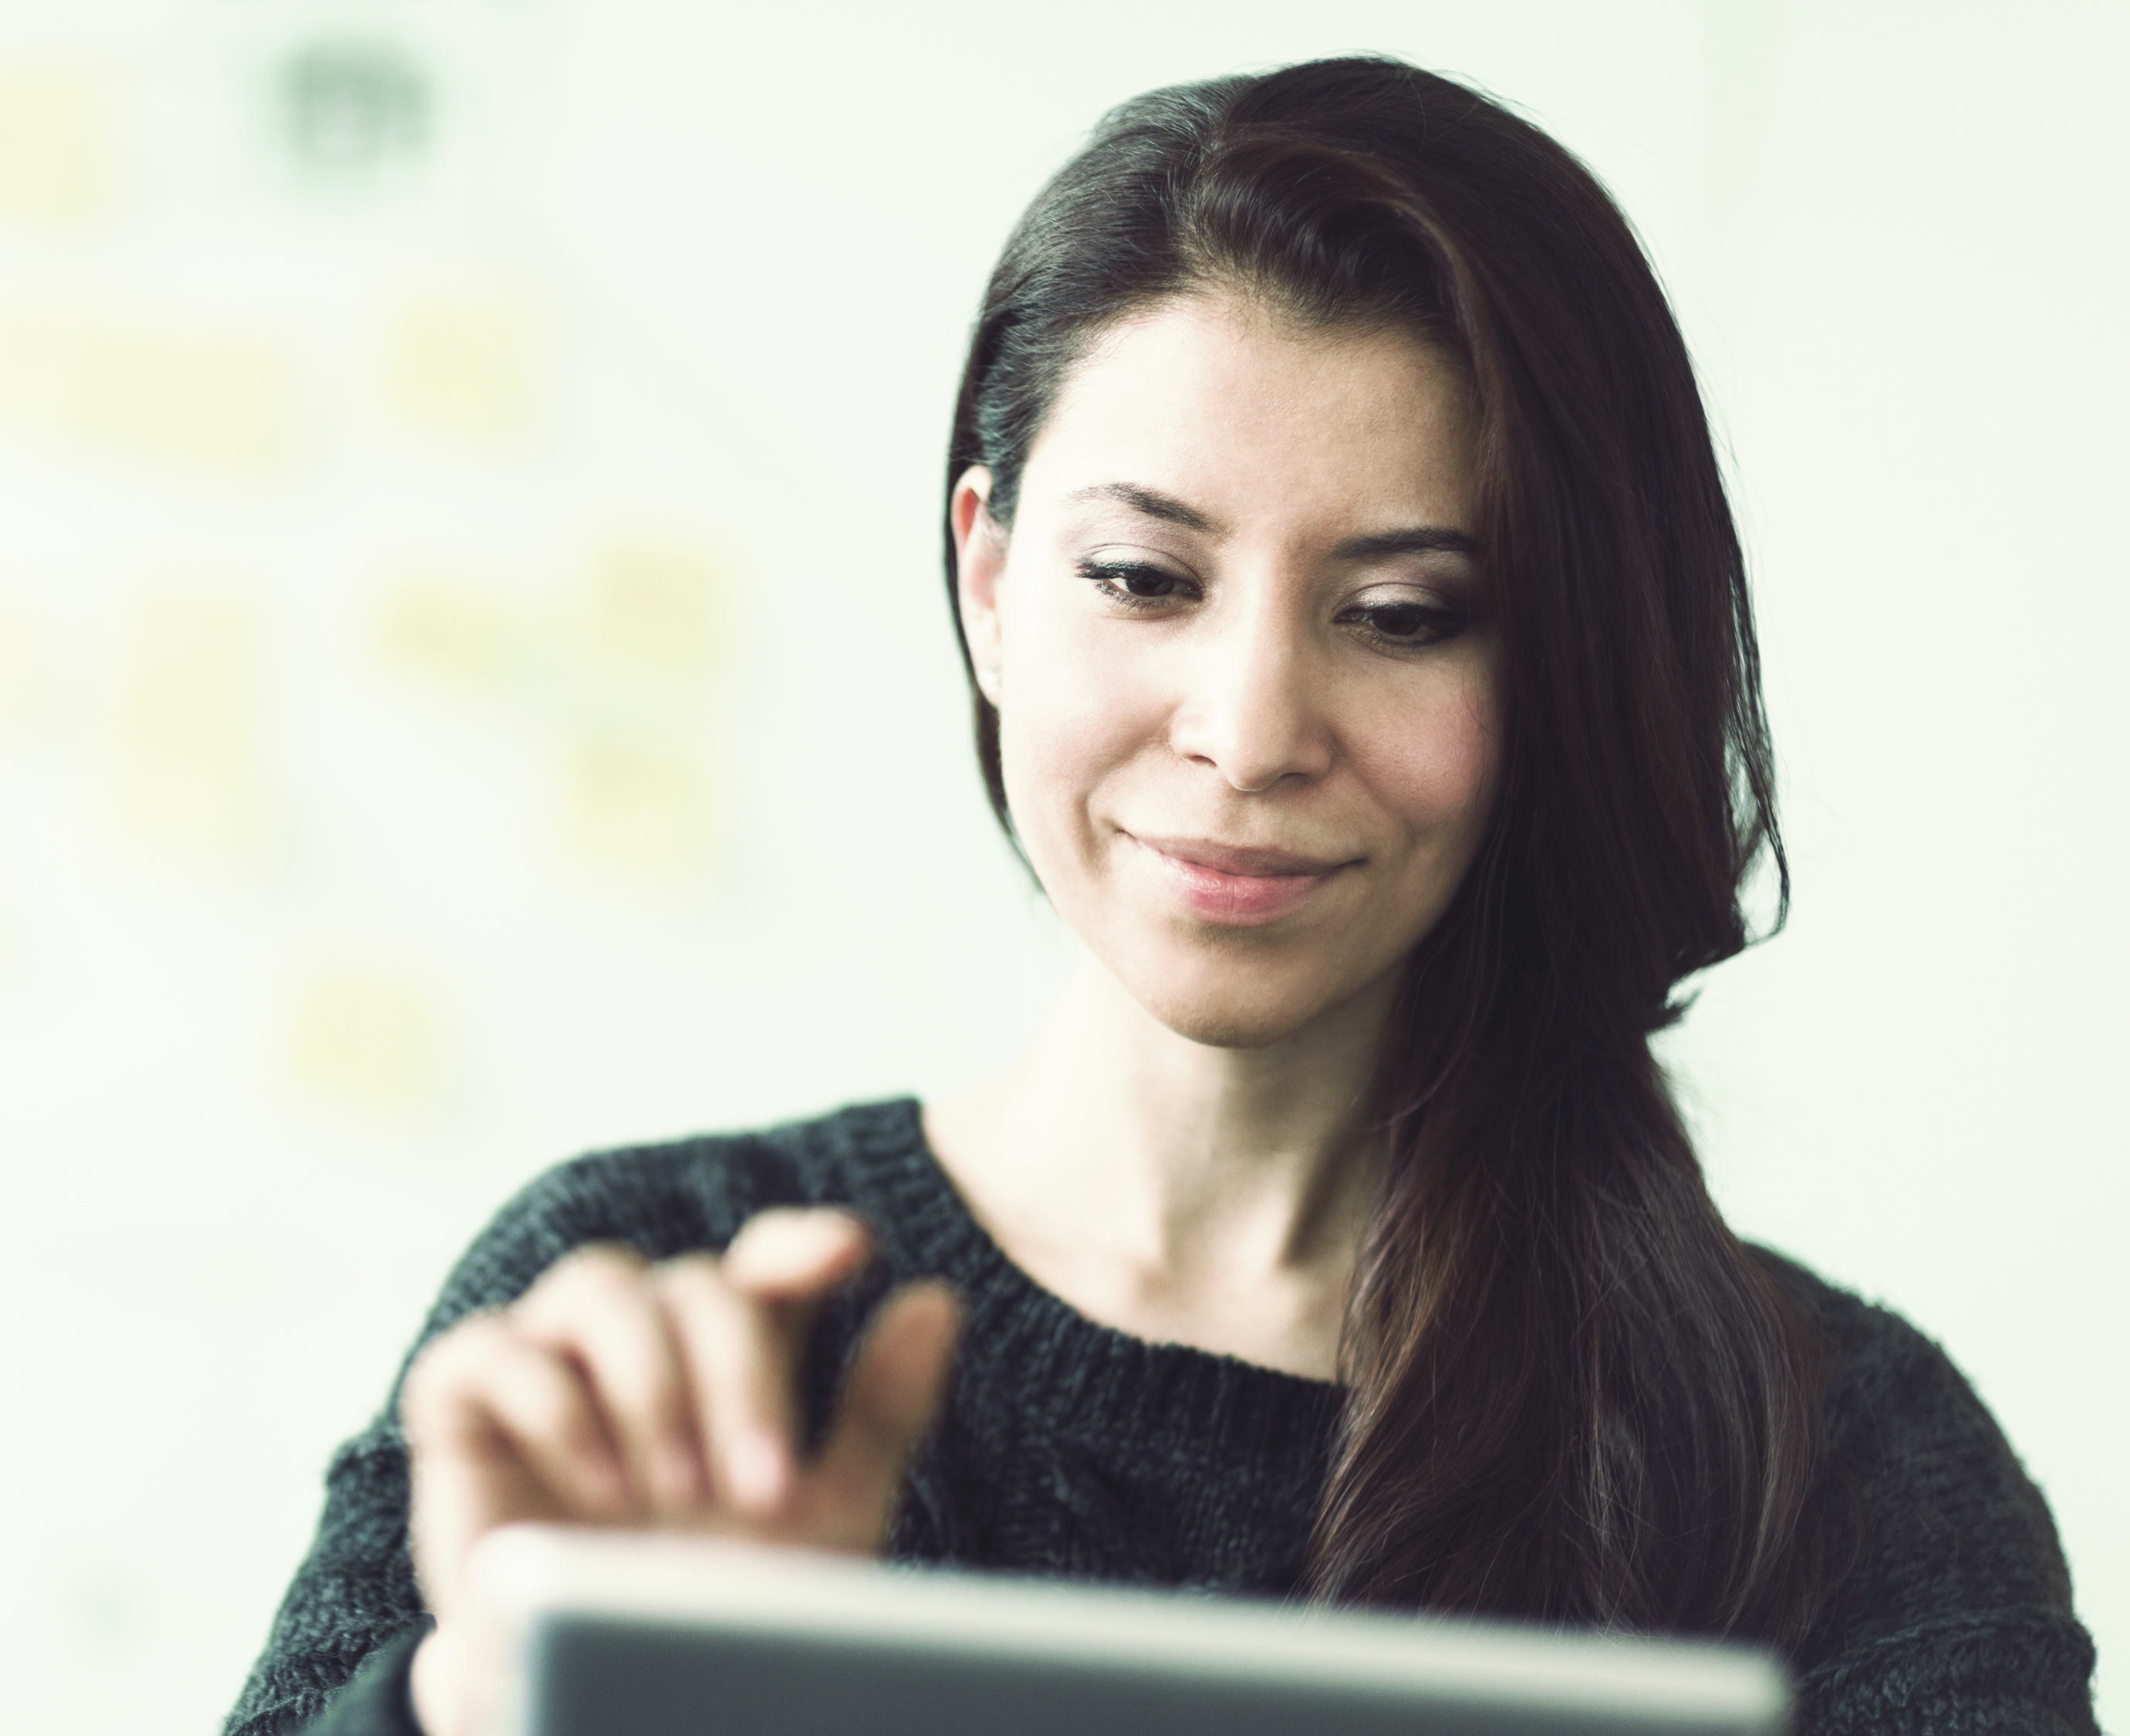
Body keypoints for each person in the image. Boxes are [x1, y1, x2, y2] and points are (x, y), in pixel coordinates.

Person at [220, 56, 2097, 1736]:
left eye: (1399, 617)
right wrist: (496, 1691)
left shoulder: (1830, 1459)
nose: (1250, 728)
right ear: (985, 576)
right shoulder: (651, 1312)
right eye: (1139, 578)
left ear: (1560, 670)